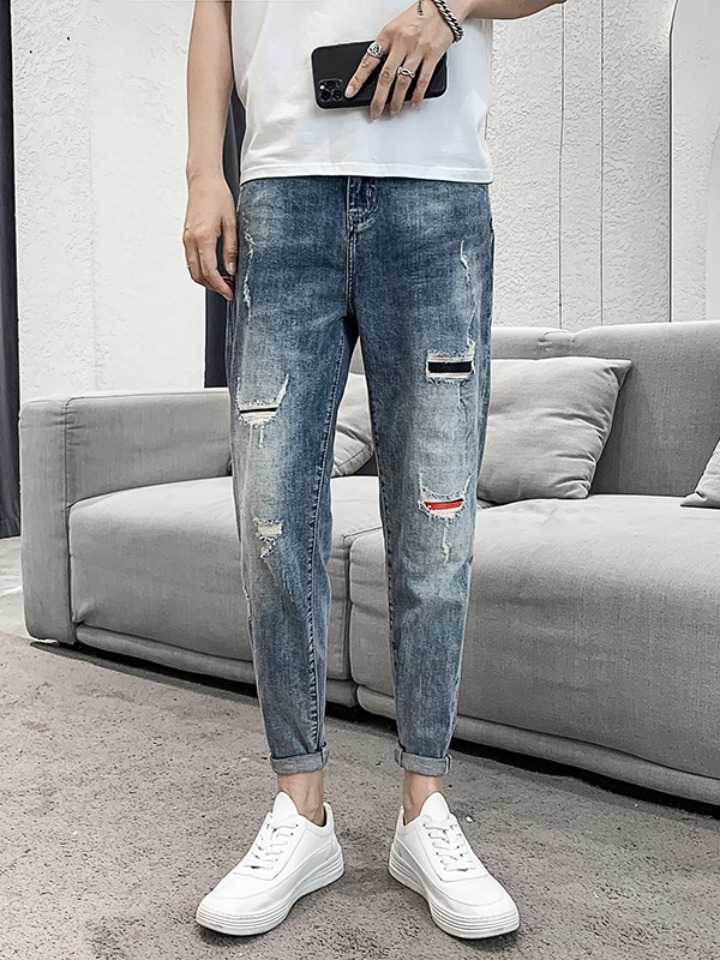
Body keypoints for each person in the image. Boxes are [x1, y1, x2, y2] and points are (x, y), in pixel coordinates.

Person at [183, 0, 565, 941]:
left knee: (437, 517)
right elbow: (213, 8)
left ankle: (423, 810)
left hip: (436, 193)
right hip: (281, 192)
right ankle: (301, 811)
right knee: (271, 512)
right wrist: (203, 172)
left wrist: (449, 9)